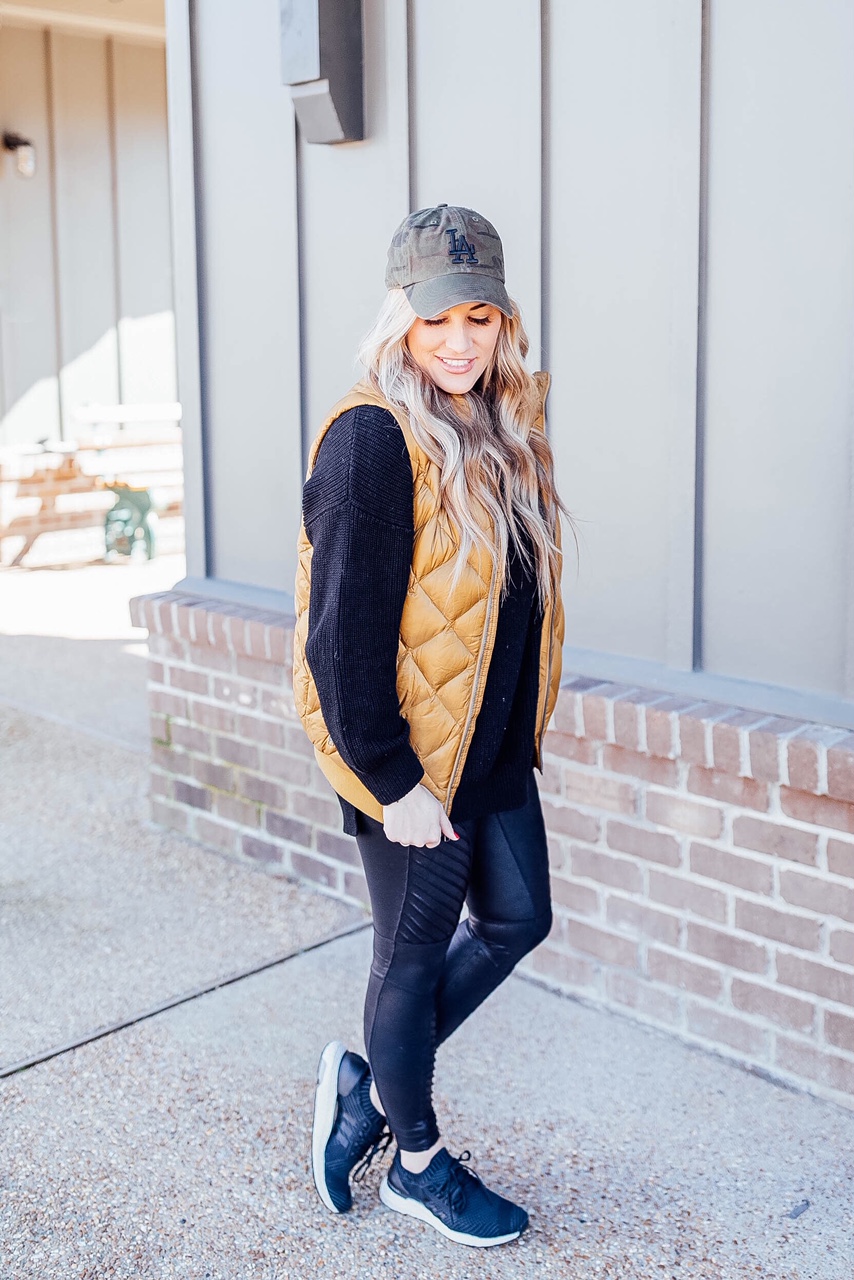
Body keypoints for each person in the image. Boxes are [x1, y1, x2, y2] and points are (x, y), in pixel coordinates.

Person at [293, 204, 566, 1248]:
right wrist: (393, 781)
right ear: (399, 319)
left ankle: (366, 1086)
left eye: (480, 317)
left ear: (502, 322)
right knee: (406, 962)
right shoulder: (370, 436)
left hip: (488, 748)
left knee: (518, 919)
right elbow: (339, 635)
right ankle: (413, 1157)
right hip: (409, 764)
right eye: (437, 318)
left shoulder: (505, 428)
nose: (459, 340)